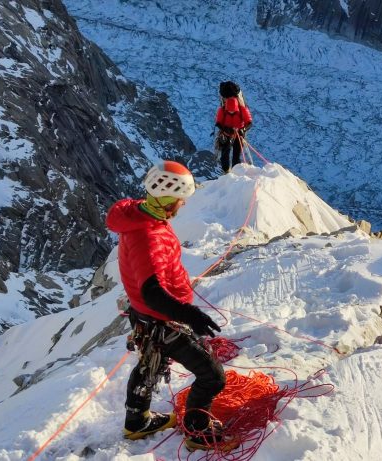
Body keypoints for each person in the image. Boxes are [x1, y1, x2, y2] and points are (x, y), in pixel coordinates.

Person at [106, 160, 231, 451]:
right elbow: (153, 293)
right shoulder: (149, 237)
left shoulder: (138, 213)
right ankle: (197, 432)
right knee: (211, 376)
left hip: (144, 316)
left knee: (151, 363)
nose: (182, 206)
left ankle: (136, 421)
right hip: (159, 317)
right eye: (180, 200)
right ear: (167, 199)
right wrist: (191, 315)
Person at [214, 84, 253, 173]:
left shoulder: (224, 110)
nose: (231, 112)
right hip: (231, 134)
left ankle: (231, 171)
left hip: (235, 134)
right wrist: (242, 129)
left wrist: (242, 129)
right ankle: (228, 171)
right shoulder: (240, 109)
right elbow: (218, 123)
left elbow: (249, 122)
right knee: (227, 153)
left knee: (235, 153)